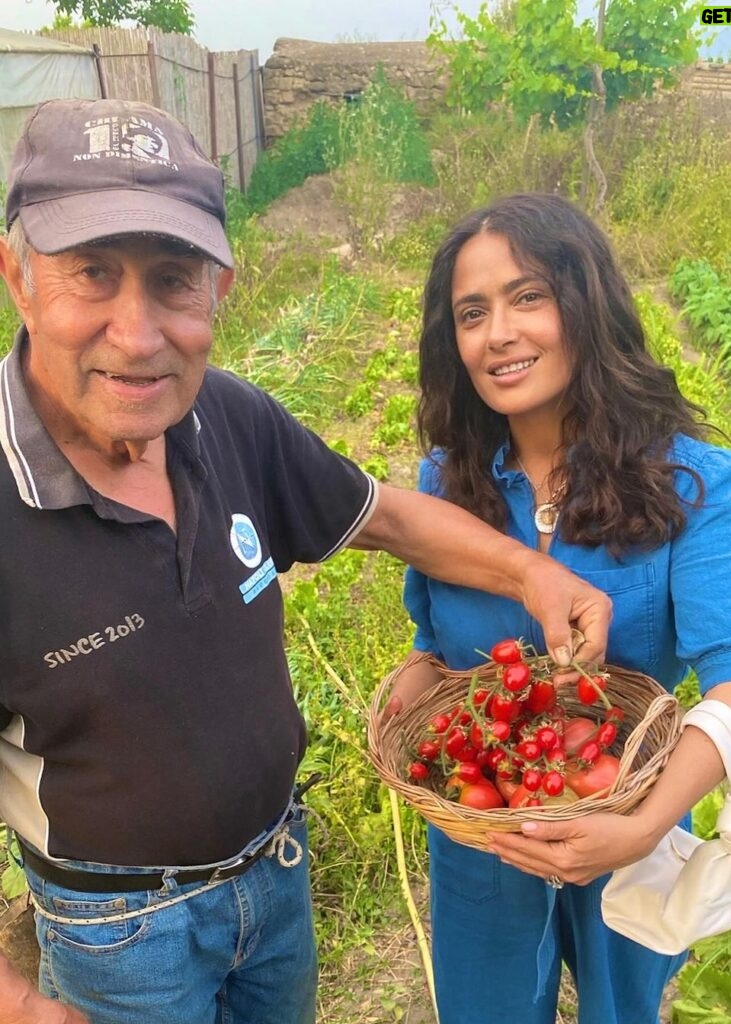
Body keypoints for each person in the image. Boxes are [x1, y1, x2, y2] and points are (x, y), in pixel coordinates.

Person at [0, 102, 613, 1024]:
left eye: (172, 281)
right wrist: (19, 1006)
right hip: (119, 934)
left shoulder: (228, 418)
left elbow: (387, 517)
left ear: (218, 293)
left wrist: (531, 575)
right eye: (91, 274)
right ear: (18, 278)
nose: (136, 334)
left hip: (277, 878)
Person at [386, 193, 731, 1024]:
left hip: (627, 813)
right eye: (471, 312)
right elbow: (436, 644)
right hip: (483, 832)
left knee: (622, 1008)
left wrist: (642, 830)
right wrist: (416, 678)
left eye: (527, 296)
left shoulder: (685, 483)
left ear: (584, 305)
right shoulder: (443, 486)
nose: (498, 333)